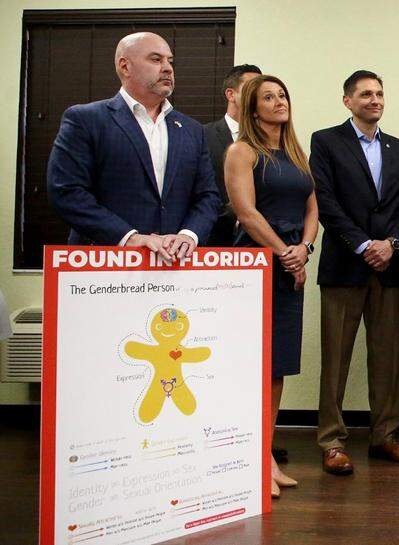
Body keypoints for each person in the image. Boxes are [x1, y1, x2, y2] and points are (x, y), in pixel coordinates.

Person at [310, 70, 399, 475]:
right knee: (336, 358)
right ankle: (332, 441)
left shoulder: (398, 148)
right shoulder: (326, 141)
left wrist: (392, 245)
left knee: (388, 358)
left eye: (380, 94)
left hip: (389, 267)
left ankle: (385, 436)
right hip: (344, 265)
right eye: (366, 94)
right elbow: (325, 199)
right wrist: (363, 244)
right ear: (347, 101)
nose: (375, 100)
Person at [225, 74, 318, 499]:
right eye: (268, 97)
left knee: (277, 368)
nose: (279, 101)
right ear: (252, 107)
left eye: (283, 94)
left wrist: (305, 248)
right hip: (256, 265)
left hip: (291, 266)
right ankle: (250, 462)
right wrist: (285, 252)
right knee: (254, 367)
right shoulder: (241, 151)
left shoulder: (296, 153)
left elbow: (312, 208)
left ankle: (266, 456)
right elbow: (246, 213)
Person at [47, 32, 220, 260]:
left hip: (174, 268)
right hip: (105, 268)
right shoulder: (86, 119)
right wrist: (128, 237)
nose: (167, 68)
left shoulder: (191, 129)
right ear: (125, 66)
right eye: (156, 59)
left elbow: (207, 195)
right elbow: (66, 191)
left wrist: (189, 235)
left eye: (170, 61)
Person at [205, 64, 262, 247]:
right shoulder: (202, 136)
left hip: (264, 245)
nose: (258, 94)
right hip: (214, 244)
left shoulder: (271, 141)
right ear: (231, 94)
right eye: (252, 87)